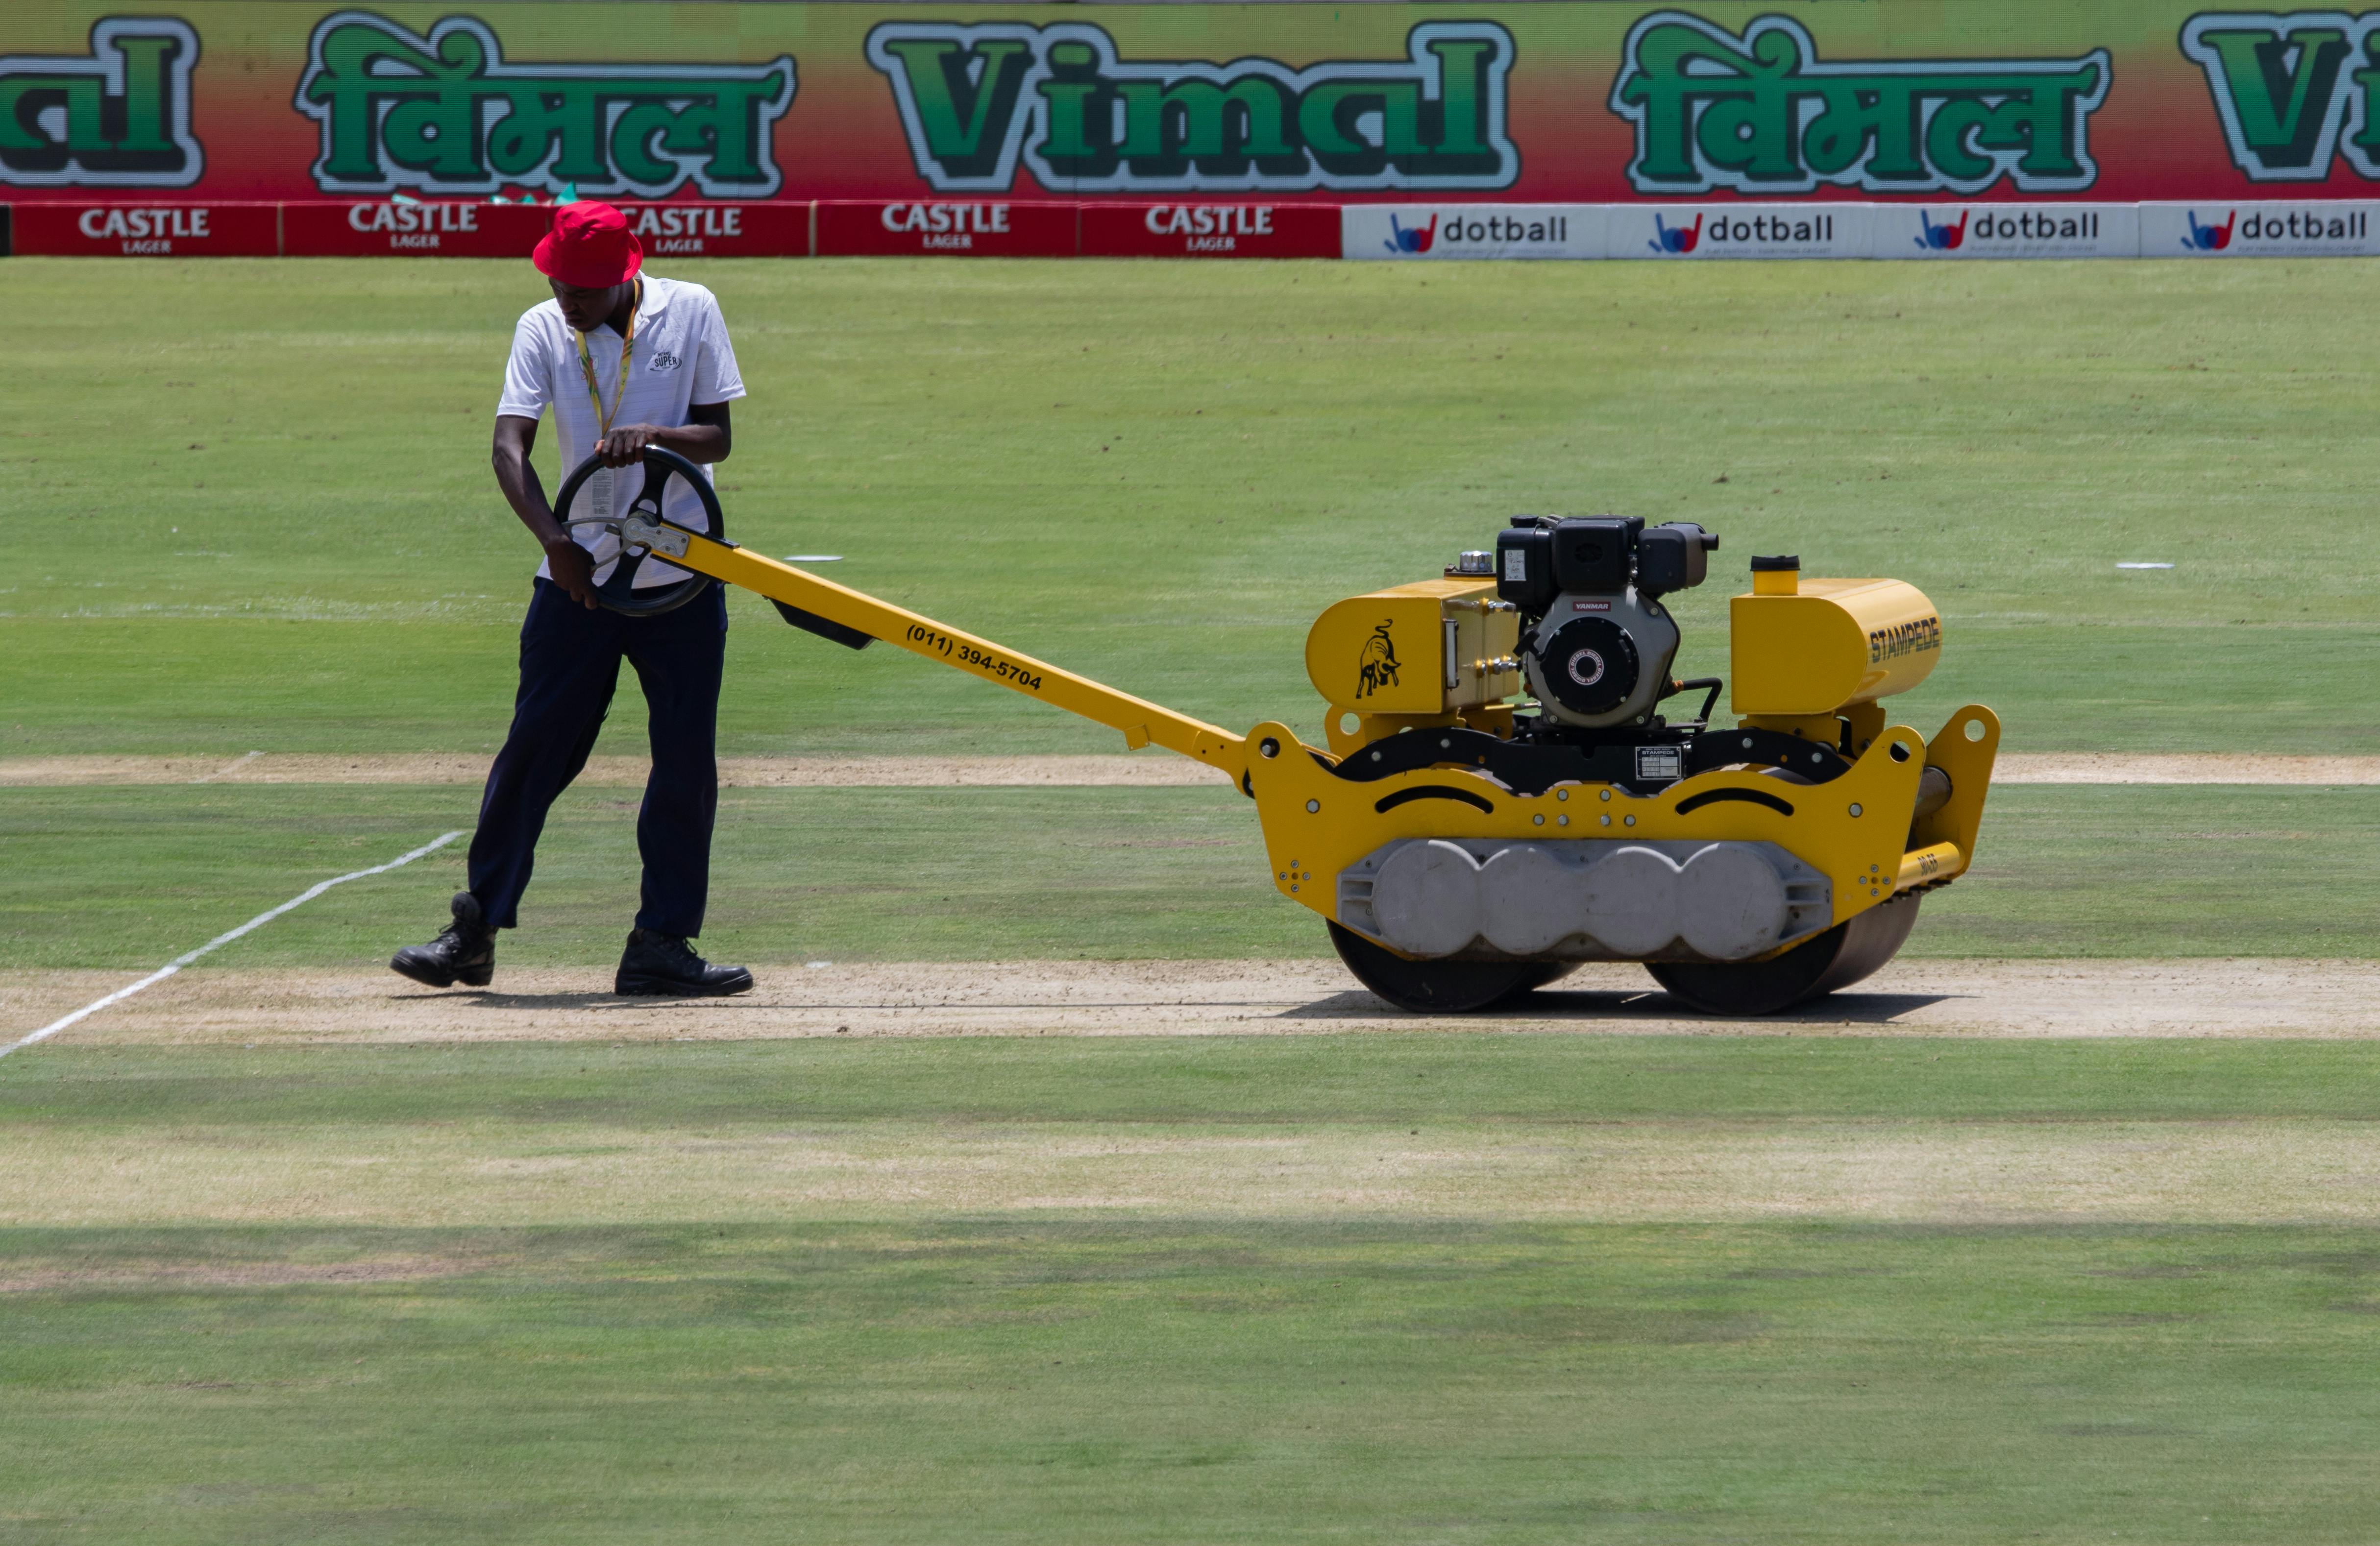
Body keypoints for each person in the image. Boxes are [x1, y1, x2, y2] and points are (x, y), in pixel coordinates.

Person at [391, 201, 753, 996]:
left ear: (625, 276)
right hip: (576, 580)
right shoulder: (540, 327)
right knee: (533, 754)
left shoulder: (691, 309)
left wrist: (654, 435)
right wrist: (555, 542)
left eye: (584, 288)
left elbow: (718, 436)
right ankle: (475, 930)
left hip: (681, 580)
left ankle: (661, 942)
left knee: (684, 766)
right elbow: (507, 444)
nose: (569, 299)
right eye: (559, 281)